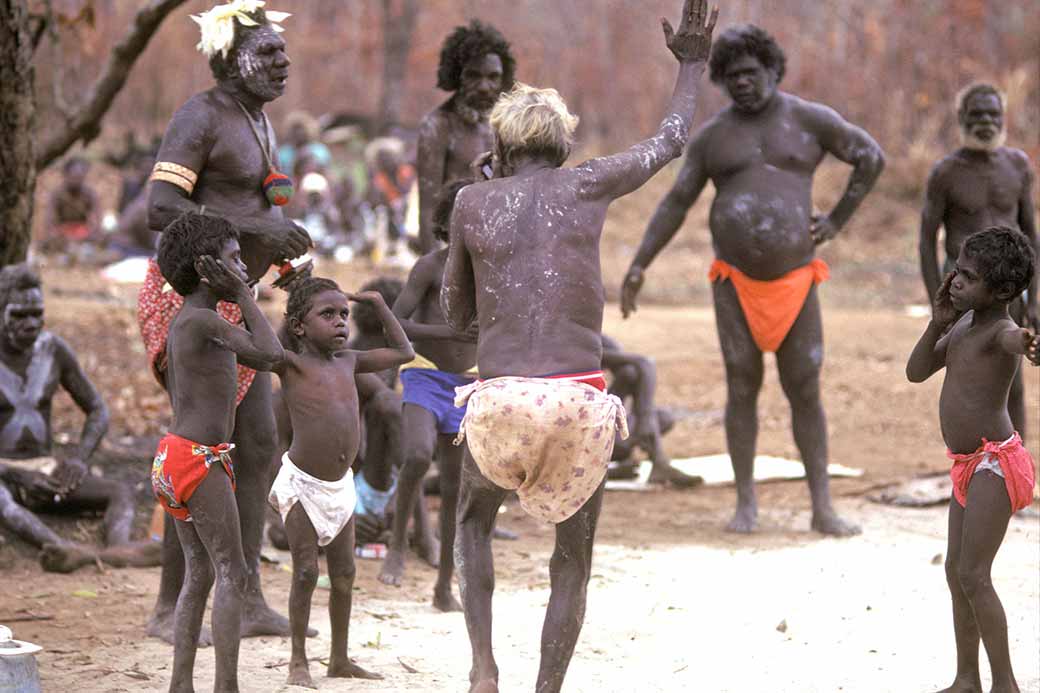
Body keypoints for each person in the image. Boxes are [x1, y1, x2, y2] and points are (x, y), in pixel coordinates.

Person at [441, 3, 716, 691]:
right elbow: (672, 137)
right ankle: (547, 687)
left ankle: (481, 668)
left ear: (500, 149)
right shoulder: (587, 183)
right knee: (572, 556)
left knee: (473, 522)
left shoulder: (473, 204)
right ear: (562, 146)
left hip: (500, 403)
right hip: (578, 405)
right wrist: (689, 63)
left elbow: (455, 311)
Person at [621, 23, 885, 535]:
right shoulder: (714, 137)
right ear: (721, 80)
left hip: (795, 281)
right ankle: (746, 505)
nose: (742, 82)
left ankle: (822, 507)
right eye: (732, 76)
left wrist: (837, 220)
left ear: (772, 70)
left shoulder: (809, 120)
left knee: (804, 388)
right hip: (734, 283)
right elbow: (677, 201)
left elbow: (870, 157)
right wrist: (640, 263)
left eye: (751, 73)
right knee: (741, 385)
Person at [141, 0, 311, 642]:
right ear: (227, 58)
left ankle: (244, 597)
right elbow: (162, 206)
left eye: (281, 50)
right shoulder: (201, 114)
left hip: (236, 295)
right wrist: (257, 227)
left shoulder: (257, 120)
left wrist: (283, 255)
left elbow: (253, 204)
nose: (283, 61)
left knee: (260, 444)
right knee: (199, 450)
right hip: (189, 300)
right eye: (267, 52)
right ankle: (168, 607)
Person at [150, 212, 284, 693]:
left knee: (201, 570)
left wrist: (242, 291)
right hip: (199, 461)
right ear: (209, 270)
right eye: (234, 261)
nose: (244, 269)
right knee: (234, 570)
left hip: (174, 457)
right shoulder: (205, 320)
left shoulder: (187, 321)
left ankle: (181, 684)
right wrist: (247, 296)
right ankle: (226, 686)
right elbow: (270, 355)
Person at [906, 226, 1037, 693]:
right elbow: (917, 371)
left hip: (994, 464)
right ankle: (967, 679)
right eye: (956, 271)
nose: (956, 281)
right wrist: (937, 320)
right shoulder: (963, 324)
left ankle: (1005, 684)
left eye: (969, 277)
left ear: (1001, 291)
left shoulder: (999, 330)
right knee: (955, 571)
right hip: (967, 464)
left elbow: (1013, 340)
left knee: (974, 574)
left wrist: (1027, 342)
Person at [268, 277, 412, 687]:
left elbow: (404, 351)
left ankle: (339, 658)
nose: (340, 322)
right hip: (303, 484)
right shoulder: (291, 364)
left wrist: (381, 306)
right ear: (298, 326)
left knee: (345, 574)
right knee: (305, 573)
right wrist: (248, 294)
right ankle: (299, 660)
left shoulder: (349, 361)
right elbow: (264, 345)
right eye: (327, 315)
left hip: (340, 486)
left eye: (344, 314)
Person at [0, 264, 160, 573]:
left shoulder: (52, 349)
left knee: (120, 492)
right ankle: (61, 548)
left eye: (37, 313)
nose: (30, 324)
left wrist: (78, 460)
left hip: (44, 468)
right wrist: (14, 474)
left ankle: (119, 549)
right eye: (19, 315)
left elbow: (97, 410)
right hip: (3, 470)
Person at [378, 180, 478, 611]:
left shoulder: (491, 273)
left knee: (457, 486)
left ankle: (444, 585)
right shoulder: (429, 267)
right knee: (418, 455)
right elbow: (395, 324)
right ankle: (401, 541)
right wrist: (447, 332)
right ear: (446, 223)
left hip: (469, 382)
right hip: (424, 373)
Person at [919, 82, 1037, 439]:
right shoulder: (946, 173)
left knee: (1010, 378)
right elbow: (926, 241)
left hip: (1008, 289)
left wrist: (1035, 299)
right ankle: (969, 464)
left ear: (1003, 118)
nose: (985, 121)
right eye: (977, 114)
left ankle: (1014, 467)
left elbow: (1031, 235)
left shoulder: (1017, 166)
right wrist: (934, 301)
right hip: (964, 287)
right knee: (964, 373)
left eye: (993, 114)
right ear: (961, 118)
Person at [416, 20, 515, 252]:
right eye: (473, 75)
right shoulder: (438, 126)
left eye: (493, 77)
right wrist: (436, 268)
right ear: (456, 76)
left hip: (501, 245)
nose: (484, 86)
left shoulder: (508, 126)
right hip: (455, 246)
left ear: (503, 78)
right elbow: (428, 208)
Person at [601, 335, 698, 487]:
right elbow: (644, 362)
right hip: (584, 433)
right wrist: (644, 418)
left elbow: (638, 367)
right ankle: (658, 462)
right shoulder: (575, 339)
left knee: (664, 417)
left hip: (608, 430)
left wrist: (644, 418)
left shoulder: (598, 337)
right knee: (631, 372)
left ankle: (651, 461)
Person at [43, 157, 101, 255]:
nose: (77, 180)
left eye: (80, 177)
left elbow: (96, 220)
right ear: (65, 175)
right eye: (74, 176)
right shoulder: (57, 194)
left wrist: (92, 233)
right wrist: (57, 234)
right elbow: (50, 221)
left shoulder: (90, 194)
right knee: (50, 242)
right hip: (63, 233)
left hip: (83, 233)